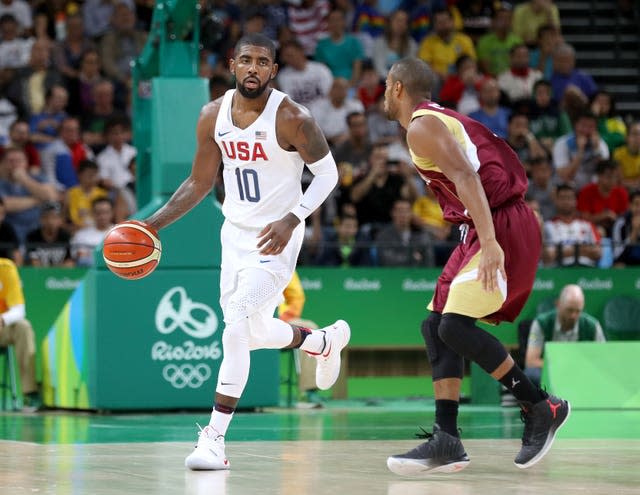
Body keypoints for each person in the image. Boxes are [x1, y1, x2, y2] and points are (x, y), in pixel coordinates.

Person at [141, 34, 350, 471]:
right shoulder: (211, 116)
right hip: (233, 236)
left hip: (277, 237)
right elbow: (199, 183)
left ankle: (214, 438)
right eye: (246, 60)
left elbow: (329, 174)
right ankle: (321, 341)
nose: (253, 68)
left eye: (262, 62)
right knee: (251, 332)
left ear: (273, 70)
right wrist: (150, 225)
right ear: (231, 65)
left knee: (236, 322)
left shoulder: (293, 117)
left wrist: (293, 219)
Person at [382, 57, 570, 476]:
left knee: (454, 327)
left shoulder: (421, 126)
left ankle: (541, 406)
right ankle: (446, 439)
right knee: (435, 326)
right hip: (480, 224)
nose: (382, 93)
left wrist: (489, 243)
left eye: (385, 86)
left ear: (397, 87)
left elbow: (467, 176)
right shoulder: (435, 121)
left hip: (498, 223)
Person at [524, 284, 605, 387]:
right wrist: (560, 366)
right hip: (551, 371)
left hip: (581, 372)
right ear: (558, 304)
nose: (573, 316)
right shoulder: (541, 323)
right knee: (531, 375)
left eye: (578, 311)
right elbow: (531, 362)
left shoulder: (593, 326)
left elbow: (602, 360)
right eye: (569, 310)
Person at [0, 257, 39, 411]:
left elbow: (19, 310)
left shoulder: (5, 268)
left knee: (23, 327)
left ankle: (30, 393)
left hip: (2, 329)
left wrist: (3, 319)